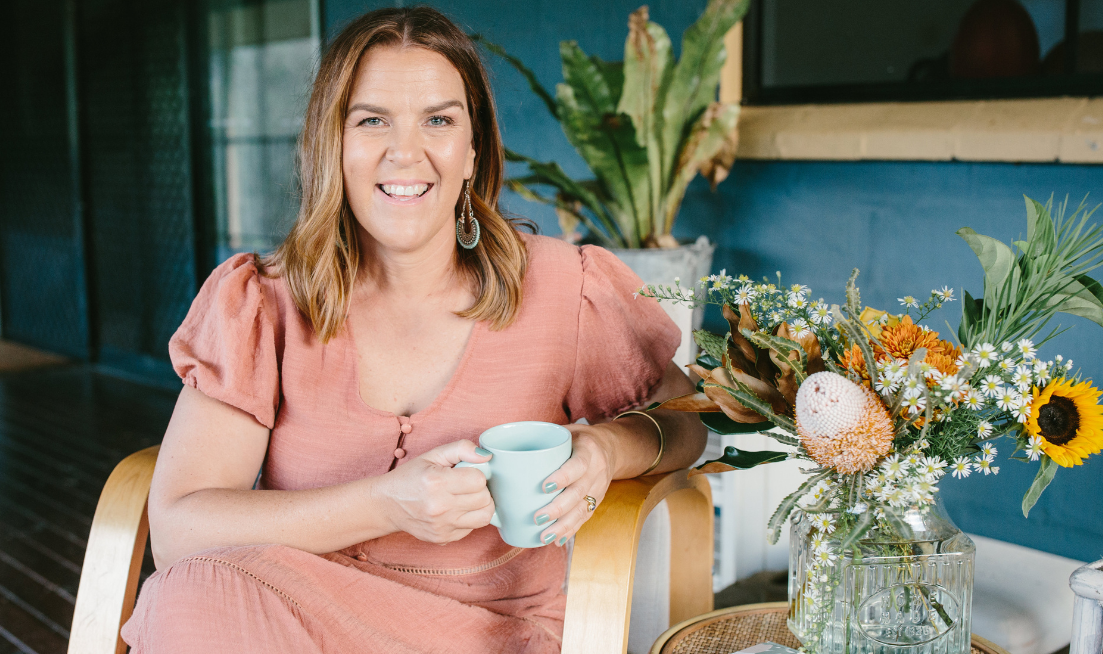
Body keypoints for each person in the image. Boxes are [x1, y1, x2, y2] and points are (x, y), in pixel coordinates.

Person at [121, 6, 707, 653]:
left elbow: (686, 420)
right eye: (371, 120)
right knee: (188, 597)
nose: (405, 152)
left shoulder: (566, 286)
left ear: (472, 150)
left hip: (493, 633)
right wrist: (382, 503)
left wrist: (607, 450)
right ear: (333, 144)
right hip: (292, 618)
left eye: (438, 120)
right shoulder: (263, 302)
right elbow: (178, 529)